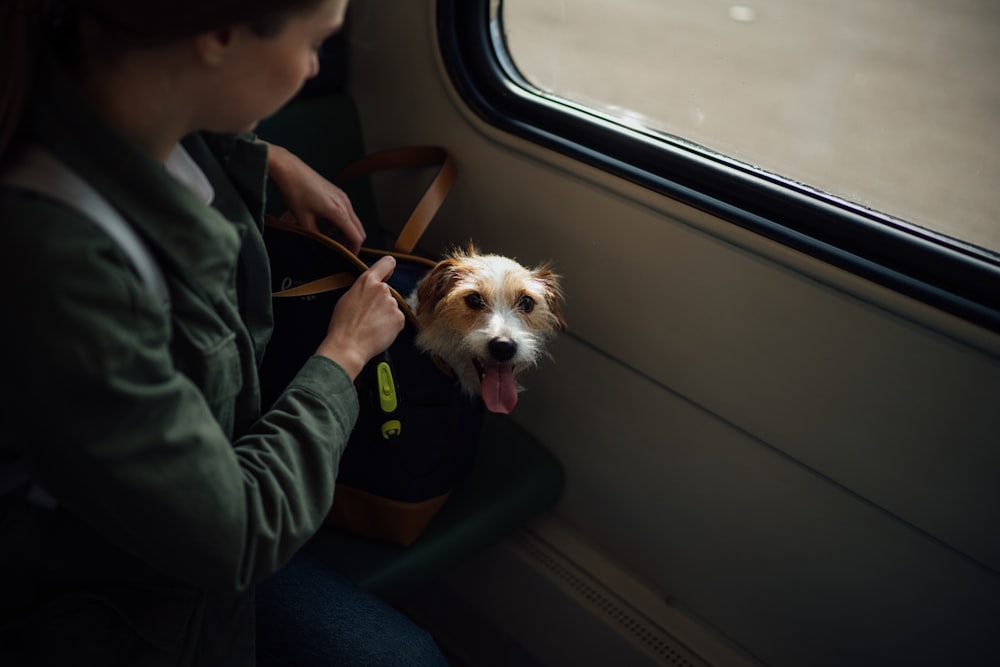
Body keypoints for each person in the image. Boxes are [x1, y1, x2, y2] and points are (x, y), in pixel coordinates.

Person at [0, 0, 448, 664]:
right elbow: (237, 533)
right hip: (125, 595)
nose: (315, 67)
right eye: (315, 42)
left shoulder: (156, 129)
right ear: (217, 36)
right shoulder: (63, 263)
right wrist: (344, 351)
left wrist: (266, 157)